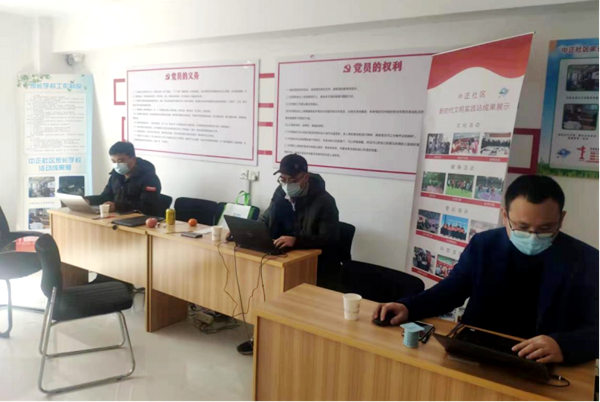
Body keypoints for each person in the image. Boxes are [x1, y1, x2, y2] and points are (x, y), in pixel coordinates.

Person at [374, 175, 599, 365]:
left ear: (561, 219)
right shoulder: (484, 245)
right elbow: (451, 291)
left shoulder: (587, 260)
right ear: (505, 216)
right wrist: (409, 307)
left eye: (545, 228)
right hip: (476, 352)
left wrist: (564, 346)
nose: (533, 236)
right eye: (522, 227)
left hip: (542, 364)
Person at [237, 153, 340, 356]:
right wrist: (246, 230)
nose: (287, 184)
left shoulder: (325, 201)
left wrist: (297, 241)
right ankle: (263, 336)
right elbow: (267, 217)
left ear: (305, 177)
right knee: (266, 284)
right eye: (283, 179)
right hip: (284, 255)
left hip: (317, 262)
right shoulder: (281, 192)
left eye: (292, 180)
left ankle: (293, 342)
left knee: (288, 296)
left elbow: (329, 238)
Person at [87, 141, 162, 216]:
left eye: (120, 161)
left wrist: (117, 206)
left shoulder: (149, 178)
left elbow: (147, 207)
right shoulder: (116, 175)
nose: (117, 165)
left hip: (142, 219)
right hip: (119, 217)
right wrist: (88, 200)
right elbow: (105, 196)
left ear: (133, 160)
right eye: (113, 161)